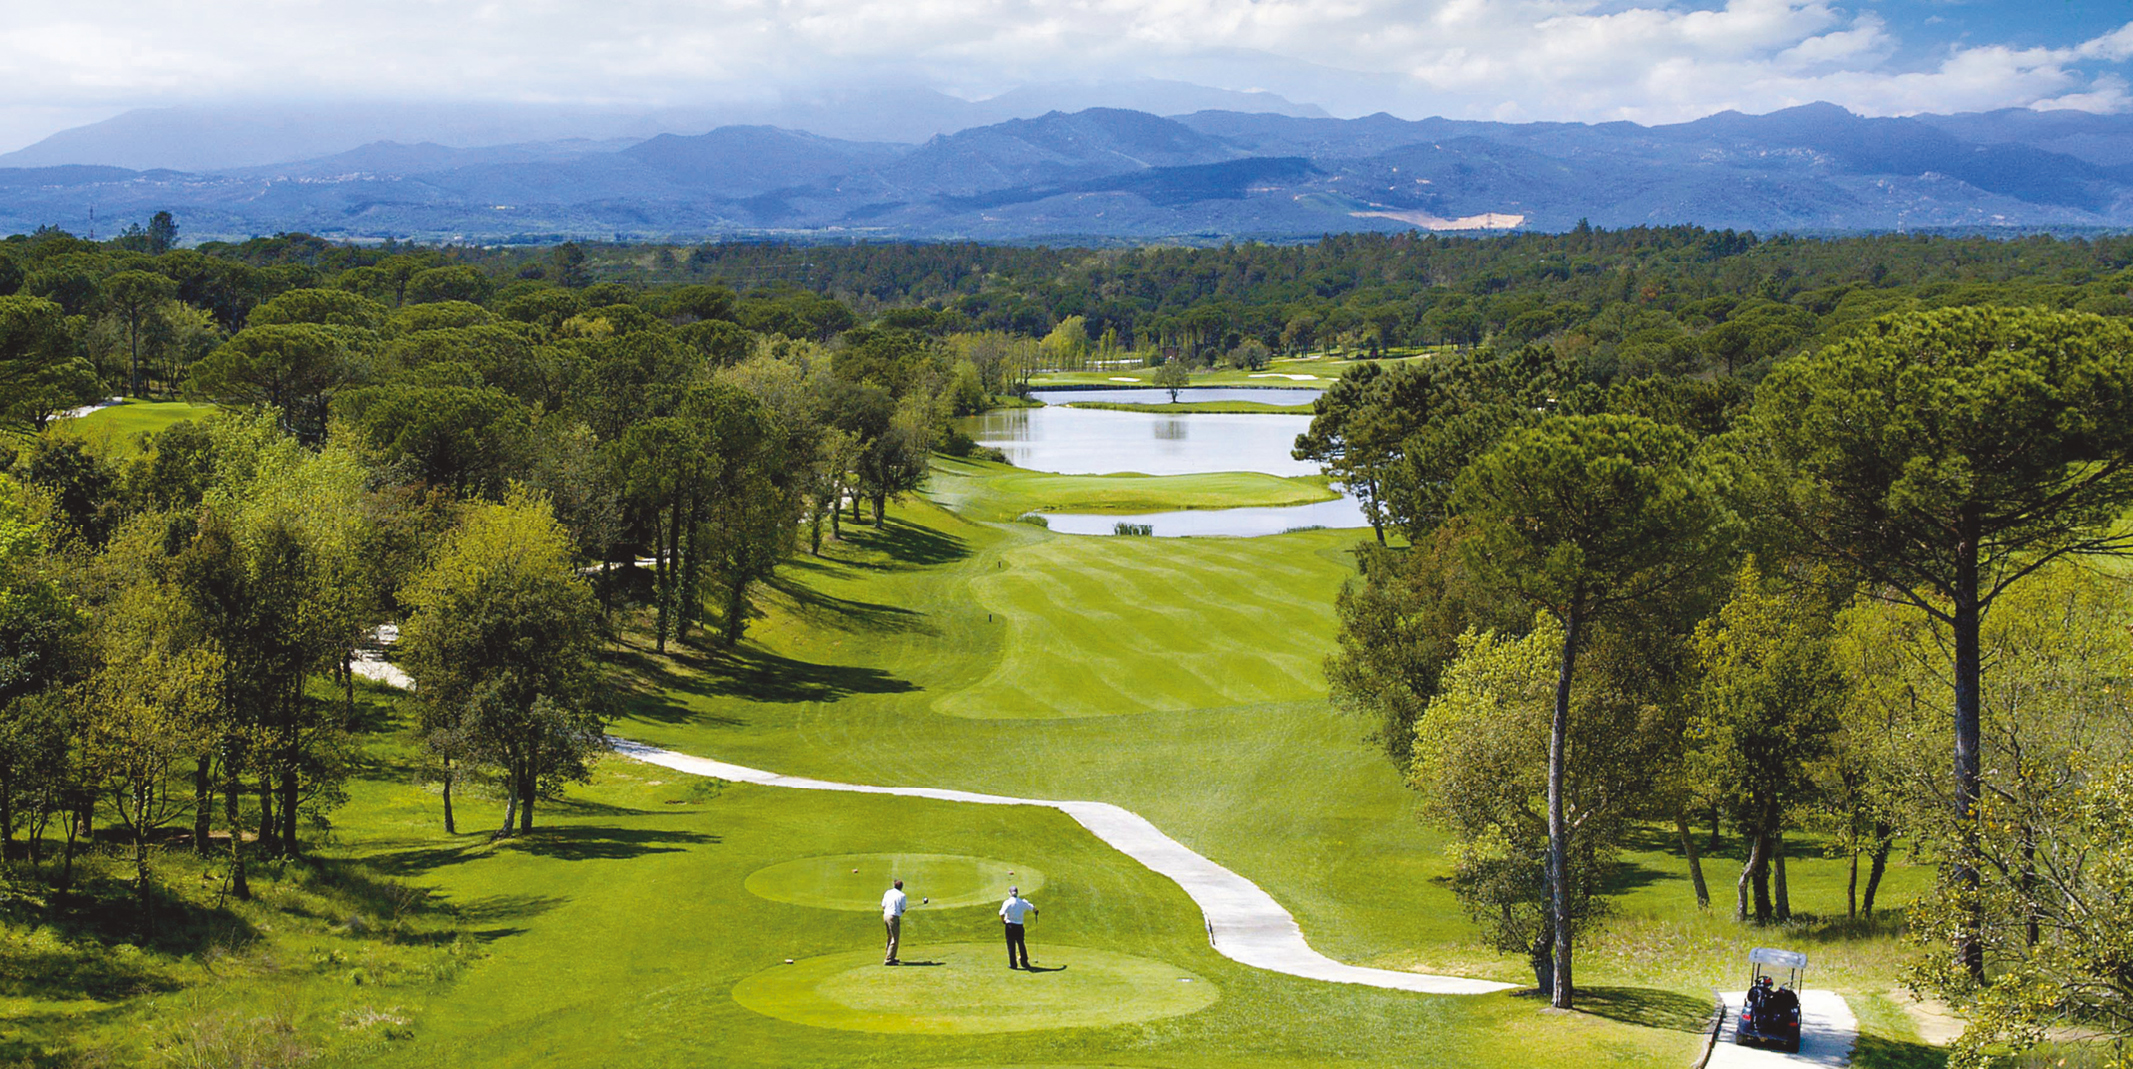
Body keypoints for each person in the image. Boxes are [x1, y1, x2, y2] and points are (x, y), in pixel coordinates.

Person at [999, 886, 1038, 969]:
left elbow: (1001, 913)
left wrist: (1003, 921)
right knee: (1021, 943)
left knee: (1011, 945)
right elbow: (1034, 909)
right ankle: (1024, 962)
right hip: (1019, 926)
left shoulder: (1007, 902)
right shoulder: (1022, 902)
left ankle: (1013, 964)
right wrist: (1036, 912)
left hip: (1010, 926)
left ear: (1009, 893)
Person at [882, 879, 908, 965]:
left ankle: (889, 955)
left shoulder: (888, 892)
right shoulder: (902, 895)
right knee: (895, 938)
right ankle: (889, 959)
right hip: (893, 917)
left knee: (890, 936)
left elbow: (883, 905)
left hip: (885, 916)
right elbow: (903, 909)